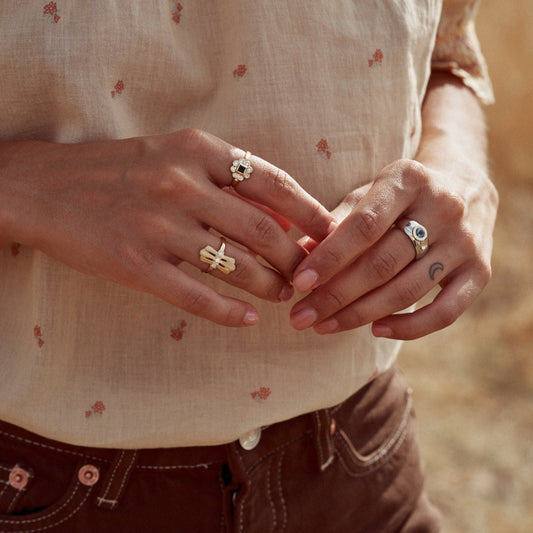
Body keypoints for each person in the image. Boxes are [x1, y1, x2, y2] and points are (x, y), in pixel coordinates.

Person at [0, 1, 497, 531]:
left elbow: (449, 53)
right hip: (44, 482)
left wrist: (458, 163)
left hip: (361, 454)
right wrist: (24, 185)